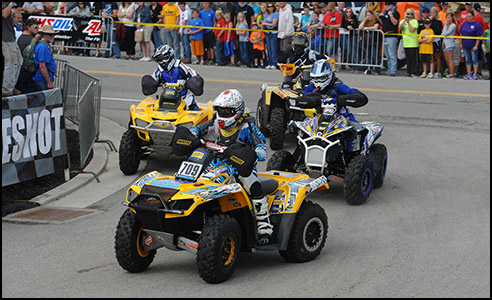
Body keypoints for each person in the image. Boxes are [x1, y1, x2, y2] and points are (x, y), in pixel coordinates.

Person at [189, 89, 272, 244]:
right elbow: (197, 130)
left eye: (227, 112)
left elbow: (262, 149)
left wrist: (254, 153)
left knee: (253, 186)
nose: (222, 115)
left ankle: (264, 226)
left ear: (237, 111)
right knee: (195, 182)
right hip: (216, 163)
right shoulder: (214, 122)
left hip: (241, 166)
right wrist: (191, 135)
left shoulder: (248, 127)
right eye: (220, 111)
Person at [302, 59, 369, 131]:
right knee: (302, 129)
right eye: (315, 78)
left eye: (321, 78)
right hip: (318, 117)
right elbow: (304, 98)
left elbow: (354, 93)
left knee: (357, 130)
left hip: (341, 117)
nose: (318, 81)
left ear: (329, 75)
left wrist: (342, 100)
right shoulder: (311, 87)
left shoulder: (338, 86)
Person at [152, 45, 201, 111]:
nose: (163, 62)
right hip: (166, 97)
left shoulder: (180, 66)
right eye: (160, 60)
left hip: (184, 97)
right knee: (154, 108)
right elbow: (153, 80)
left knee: (193, 108)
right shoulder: (159, 70)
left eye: (165, 59)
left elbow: (195, 75)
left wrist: (191, 83)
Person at [2, 2, 23, 97]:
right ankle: (6, 90)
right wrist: (11, 4)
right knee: (11, 64)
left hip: (10, 38)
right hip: (6, 39)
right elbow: (4, 14)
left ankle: (11, 85)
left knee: (19, 61)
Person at [15, 17, 41, 94]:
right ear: (29, 27)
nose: (37, 29)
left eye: (38, 27)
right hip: (29, 76)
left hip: (22, 74)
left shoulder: (21, 37)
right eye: (35, 27)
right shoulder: (31, 40)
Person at [32, 24, 57, 92]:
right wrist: (49, 82)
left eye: (53, 35)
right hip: (42, 79)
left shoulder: (41, 45)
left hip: (42, 78)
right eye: (50, 35)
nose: (52, 37)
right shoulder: (43, 47)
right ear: (44, 35)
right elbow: (42, 66)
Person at [459, 10, 482, 80]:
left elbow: (478, 37)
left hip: (473, 45)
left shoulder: (477, 25)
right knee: (467, 59)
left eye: (470, 16)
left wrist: (476, 46)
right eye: (467, 16)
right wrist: (461, 44)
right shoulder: (464, 24)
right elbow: (461, 34)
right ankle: (468, 73)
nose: (468, 18)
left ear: (473, 16)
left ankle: (475, 73)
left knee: (474, 59)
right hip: (465, 45)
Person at [379, 2, 400, 76]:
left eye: (389, 4)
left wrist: (391, 15)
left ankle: (393, 71)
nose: (386, 6)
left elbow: (395, 23)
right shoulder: (385, 13)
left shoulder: (396, 13)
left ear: (392, 5)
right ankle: (389, 70)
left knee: (392, 54)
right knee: (387, 55)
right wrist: (381, 17)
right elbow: (382, 23)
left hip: (392, 36)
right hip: (385, 36)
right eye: (386, 4)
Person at [359, 9, 382, 75]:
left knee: (375, 56)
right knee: (368, 56)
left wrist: (366, 28)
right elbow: (360, 27)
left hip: (375, 41)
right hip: (366, 41)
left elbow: (375, 27)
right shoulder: (366, 22)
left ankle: (377, 70)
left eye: (370, 15)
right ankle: (368, 69)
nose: (368, 16)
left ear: (373, 15)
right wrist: (364, 20)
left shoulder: (376, 21)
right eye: (367, 15)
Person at [399, 8, 419, 77]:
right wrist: (404, 21)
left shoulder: (414, 21)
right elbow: (400, 27)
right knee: (408, 58)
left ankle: (414, 72)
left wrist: (408, 23)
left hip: (413, 42)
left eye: (411, 14)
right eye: (408, 14)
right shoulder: (403, 21)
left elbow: (412, 30)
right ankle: (409, 71)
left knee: (413, 58)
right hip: (406, 42)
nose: (409, 15)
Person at [341, 6, 360, 73]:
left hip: (353, 35)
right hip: (347, 36)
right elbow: (342, 25)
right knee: (350, 52)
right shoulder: (344, 17)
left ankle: (356, 67)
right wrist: (347, 27)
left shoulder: (354, 17)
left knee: (355, 51)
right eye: (347, 12)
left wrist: (352, 27)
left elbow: (356, 25)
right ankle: (352, 67)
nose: (349, 13)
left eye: (350, 12)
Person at [262, 3, 279, 69]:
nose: (270, 8)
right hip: (267, 32)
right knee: (268, 48)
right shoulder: (266, 14)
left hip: (273, 32)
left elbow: (273, 24)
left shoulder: (275, 14)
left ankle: (274, 63)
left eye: (271, 6)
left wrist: (265, 23)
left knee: (273, 48)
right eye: (269, 7)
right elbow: (264, 22)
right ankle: (270, 62)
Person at [441, 10, 457, 79]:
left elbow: (446, 33)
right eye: (447, 17)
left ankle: (452, 74)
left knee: (450, 59)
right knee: (447, 60)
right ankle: (449, 72)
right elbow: (442, 34)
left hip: (450, 44)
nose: (448, 19)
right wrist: (445, 27)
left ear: (452, 18)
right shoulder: (447, 25)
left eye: (449, 17)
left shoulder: (453, 25)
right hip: (445, 43)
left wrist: (445, 26)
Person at [429, 7, 443, 78]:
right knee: (431, 57)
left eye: (433, 12)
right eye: (431, 12)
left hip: (436, 40)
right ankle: (431, 71)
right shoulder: (429, 21)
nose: (432, 14)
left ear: (436, 13)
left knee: (437, 56)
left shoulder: (439, 22)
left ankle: (438, 71)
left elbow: (438, 31)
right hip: (430, 40)